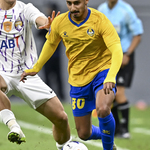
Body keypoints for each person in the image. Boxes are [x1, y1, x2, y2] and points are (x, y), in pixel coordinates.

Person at [0, 0, 71, 149]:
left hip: (26, 75)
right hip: (0, 74)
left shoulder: (26, 9)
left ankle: (64, 146)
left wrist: (48, 23)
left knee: (61, 118)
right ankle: (14, 127)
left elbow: (40, 20)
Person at [20, 0, 123, 149]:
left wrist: (111, 75)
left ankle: (108, 147)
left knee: (103, 109)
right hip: (78, 79)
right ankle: (108, 132)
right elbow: (51, 43)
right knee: (83, 133)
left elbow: (116, 49)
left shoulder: (100, 20)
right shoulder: (60, 22)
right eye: (69, 3)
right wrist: (36, 67)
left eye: (77, 3)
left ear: (86, 1)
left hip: (102, 72)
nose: (73, 8)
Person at [98, 0, 143, 139]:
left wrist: (128, 53)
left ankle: (124, 130)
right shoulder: (102, 9)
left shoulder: (126, 10)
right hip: (108, 57)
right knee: (109, 92)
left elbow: (138, 34)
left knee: (119, 93)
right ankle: (116, 129)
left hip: (124, 56)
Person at [37, 2, 65, 100]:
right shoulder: (45, 22)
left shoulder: (59, 23)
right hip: (47, 55)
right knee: (47, 77)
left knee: (58, 76)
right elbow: (39, 34)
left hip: (56, 55)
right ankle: (48, 95)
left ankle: (61, 96)